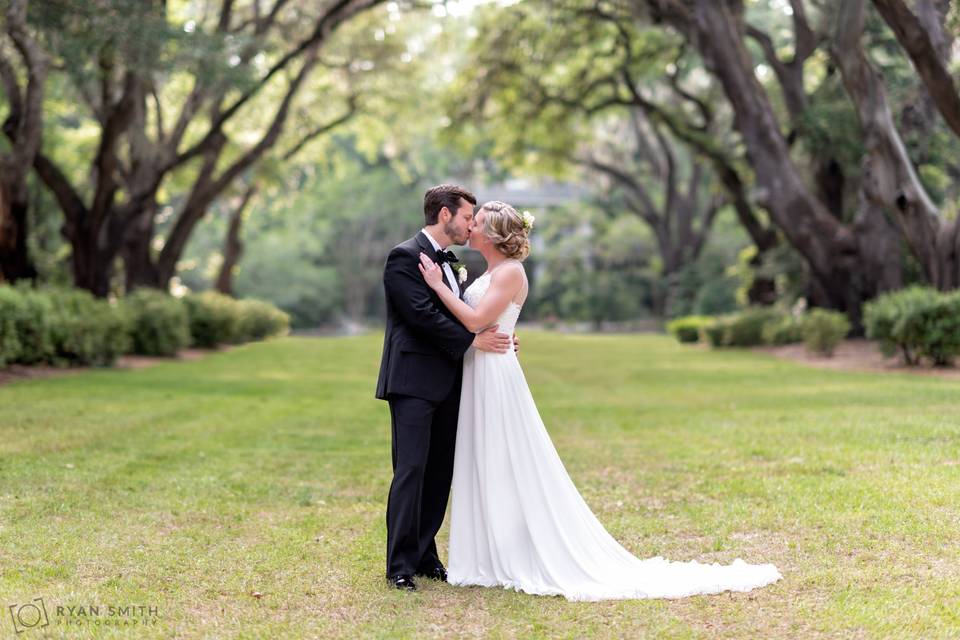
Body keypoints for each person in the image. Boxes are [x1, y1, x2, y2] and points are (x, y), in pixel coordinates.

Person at [417, 200, 783, 601]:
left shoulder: (511, 272)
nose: (471, 228)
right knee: (483, 459)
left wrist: (437, 286)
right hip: (480, 368)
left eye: (479, 223)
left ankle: (514, 552)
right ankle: (487, 553)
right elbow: (479, 324)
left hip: (495, 376)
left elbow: (472, 321)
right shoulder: (491, 272)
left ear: (494, 235)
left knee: (506, 459)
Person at [376, 184, 517, 592]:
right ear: (444, 215)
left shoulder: (451, 264)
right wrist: (474, 340)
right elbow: (419, 316)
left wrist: (498, 333)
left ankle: (424, 555)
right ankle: (399, 565)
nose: (471, 225)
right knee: (411, 470)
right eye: (467, 217)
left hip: (452, 381)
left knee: (440, 473)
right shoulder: (402, 257)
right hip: (413, 382)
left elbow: (465, 314)